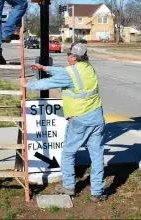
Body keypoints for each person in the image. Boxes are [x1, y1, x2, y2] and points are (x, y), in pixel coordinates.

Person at [20, 43, 107, 202]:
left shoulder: (70, 73)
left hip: (80, 119)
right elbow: (65, 72)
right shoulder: (88, 68)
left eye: (68, 54)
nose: (67, 56)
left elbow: (49, 83)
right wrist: (44, 68)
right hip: (97, 117)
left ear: (74, 57)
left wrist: (28, 85)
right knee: (97, 155)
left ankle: (68, 186)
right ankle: (97, 192)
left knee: (68, 153)